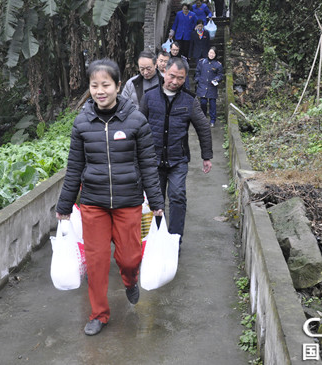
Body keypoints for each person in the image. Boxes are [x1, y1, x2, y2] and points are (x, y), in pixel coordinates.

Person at [56, 59, 164, 336]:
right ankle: (99, 314)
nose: (100, 91)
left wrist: (157, 201)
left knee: (129, 259)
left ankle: (130, 281)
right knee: (96, 262)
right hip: (93, 204)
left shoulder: (136, 121)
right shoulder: (81, 124)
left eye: (106, 85)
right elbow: (74, 168)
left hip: (128, 202)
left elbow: (149, 165)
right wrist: (65, 205)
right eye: (94, 85)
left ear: (118, 86)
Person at [139, 57, 212, 247]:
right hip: (153, 160)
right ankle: (155, 239)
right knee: (155, 201)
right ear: (163, 72)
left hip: (177, 160)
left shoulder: (189, 100)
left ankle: (174, 241)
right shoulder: (149, 96)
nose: (175, 81)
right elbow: (137, 127)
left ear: (185, 78)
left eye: (180, 78)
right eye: (172, 76)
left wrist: (207, 156)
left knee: (178, 196)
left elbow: (203, 127)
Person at [195, 46, 223, 127]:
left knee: (212, 103)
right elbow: (197, 72)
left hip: (212, 87)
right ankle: (203, 119)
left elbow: (220, 75)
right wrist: (198, 80)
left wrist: (216, 79)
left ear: (215, 54)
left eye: (213, 53)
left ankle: (213, 120)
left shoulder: (218, 65)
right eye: (210, 53)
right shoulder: (202, 62)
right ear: (208, 53)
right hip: (202, 85)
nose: (211, 54)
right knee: (203, 102)